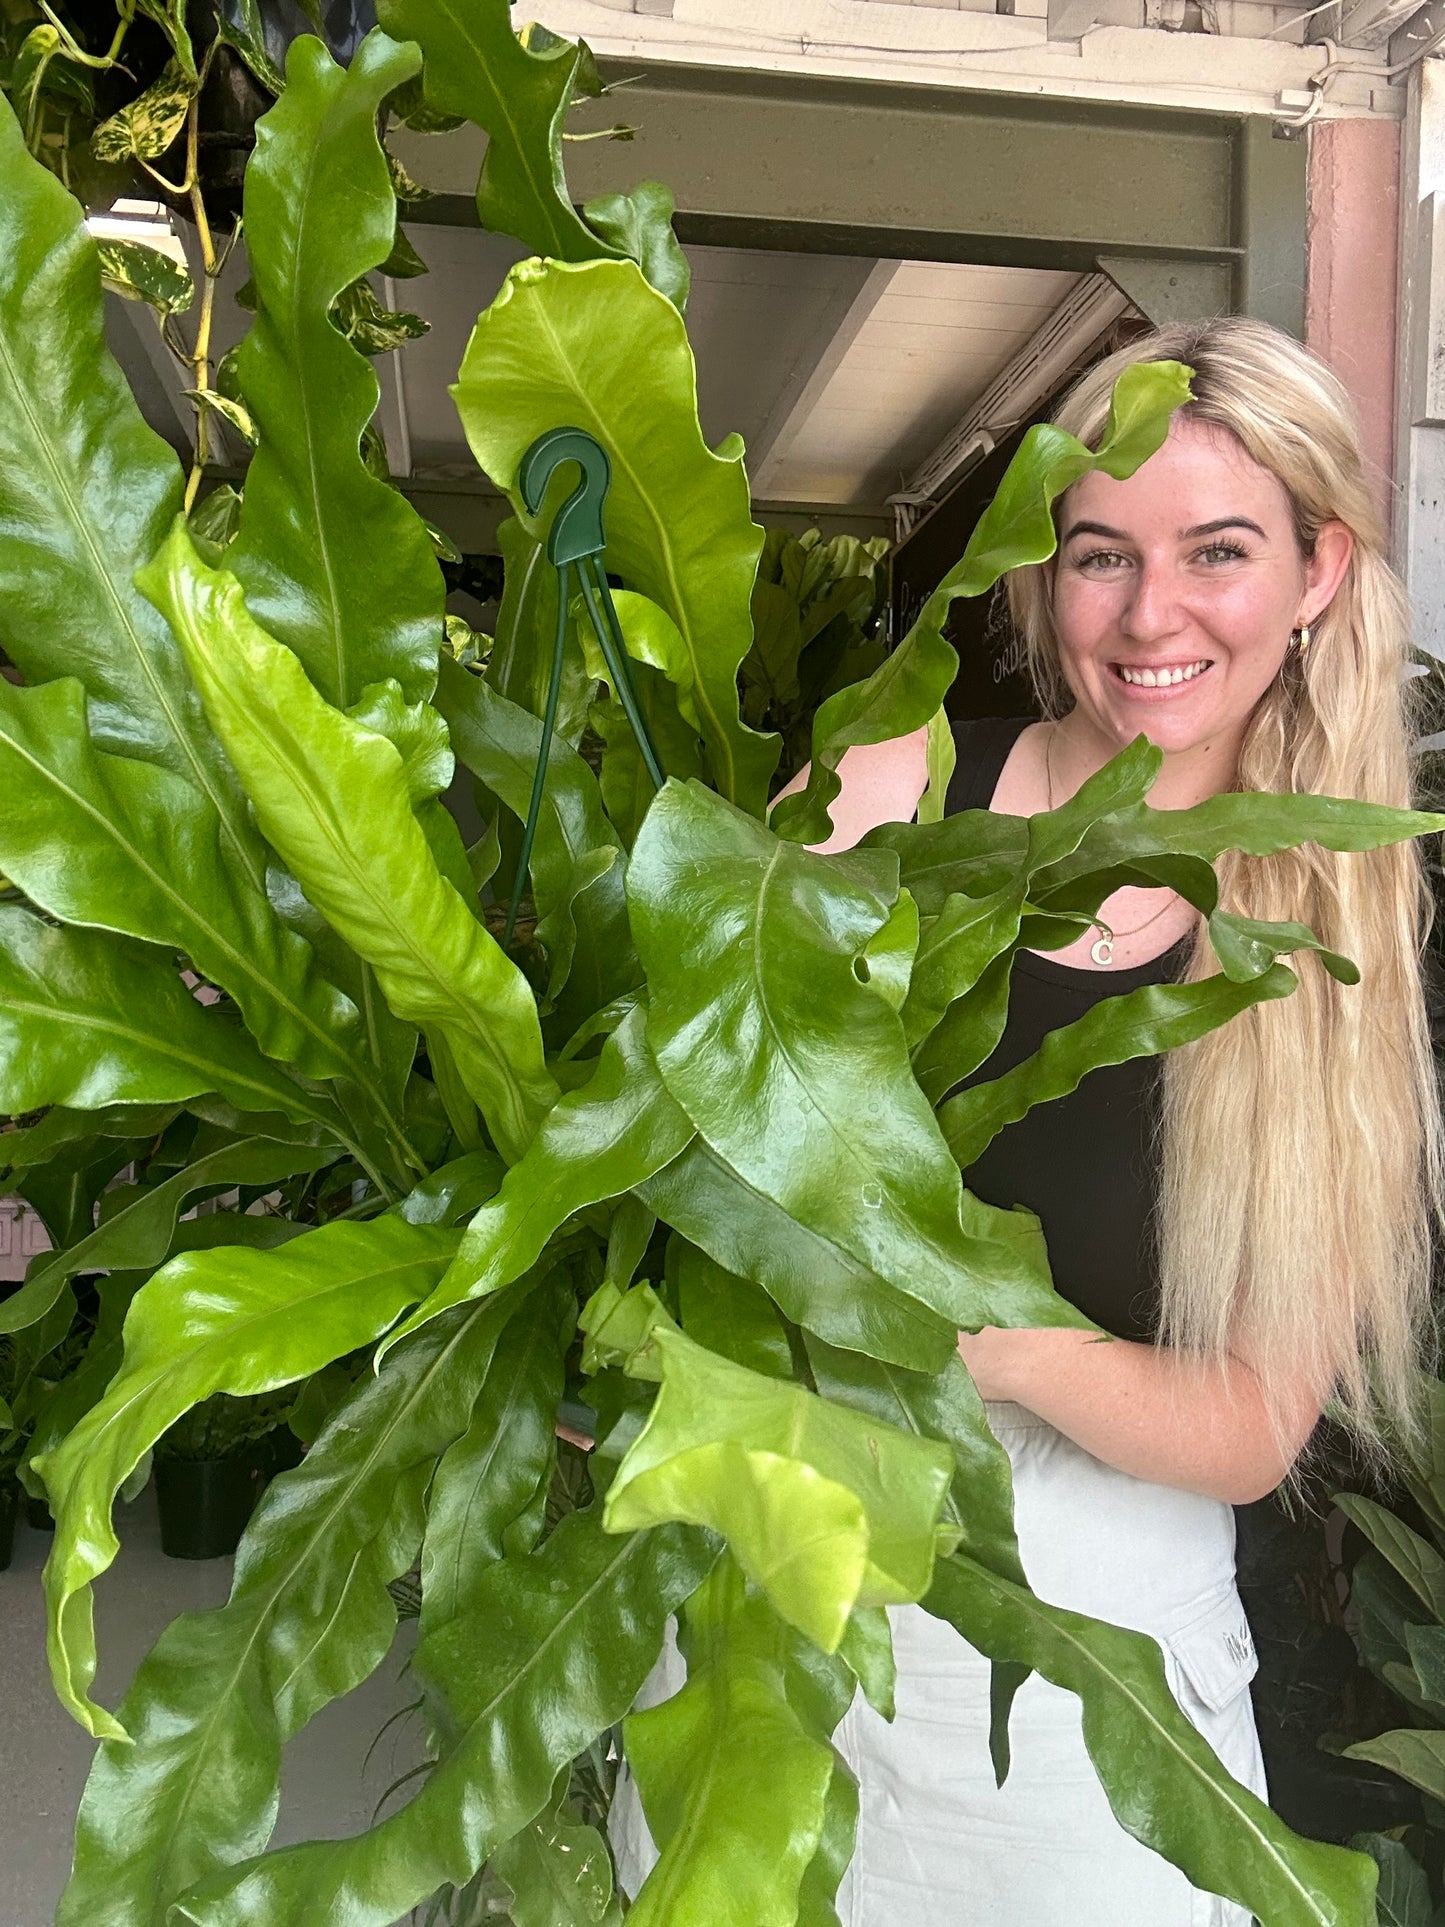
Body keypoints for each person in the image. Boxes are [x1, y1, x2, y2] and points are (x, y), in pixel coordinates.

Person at [610, 316, 1441, 1923]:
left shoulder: (1328, 937)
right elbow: (686, 1089)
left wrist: (948, 1319)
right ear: (1037, 571)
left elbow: (1252, 1427)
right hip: (775, 1593)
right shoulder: (899, 781)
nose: (1150, 617)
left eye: (1216, 550)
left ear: (1316, 571)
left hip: (1087, 1677)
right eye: (1096, 554)